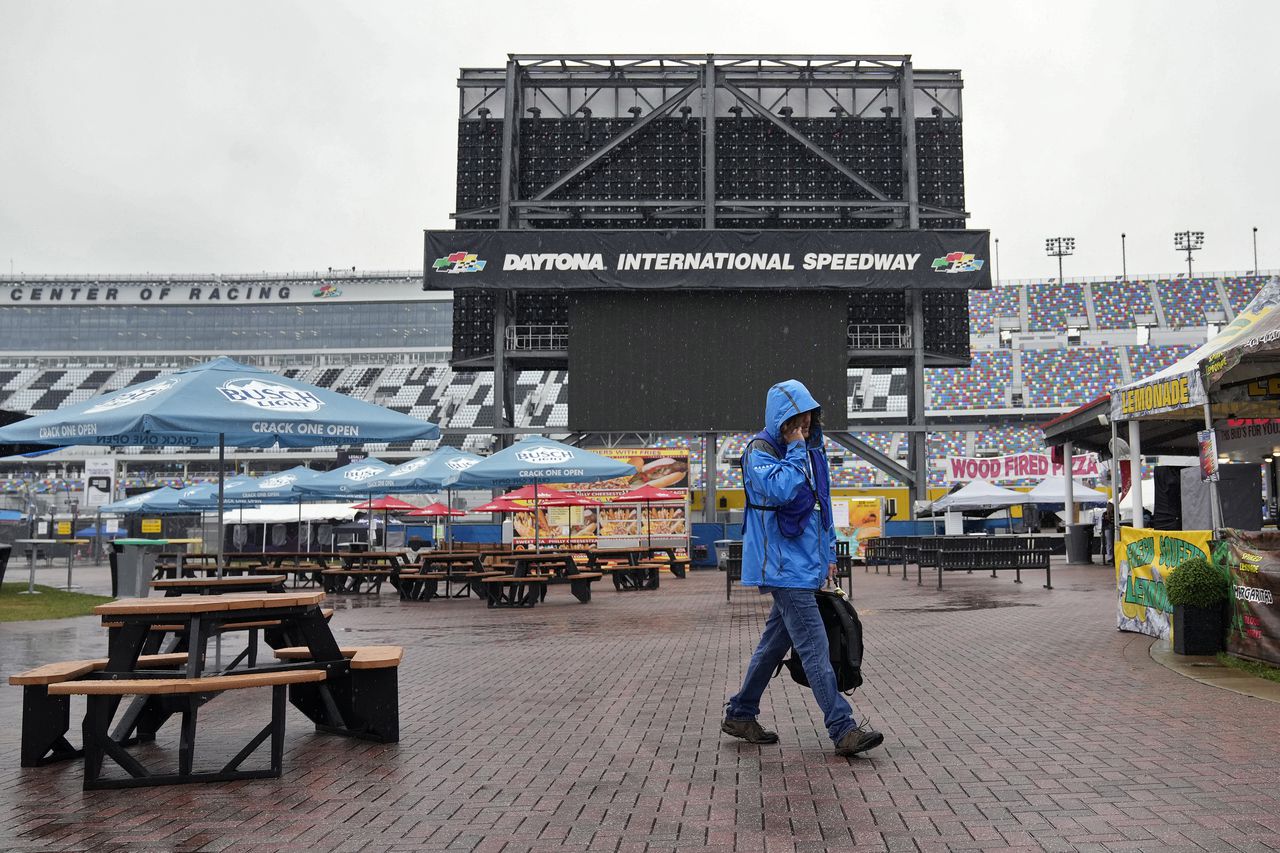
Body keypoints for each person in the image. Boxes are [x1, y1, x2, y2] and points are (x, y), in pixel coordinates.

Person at [722, 379, 884, 757]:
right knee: (815, 646)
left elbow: (820, 505)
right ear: (782, 419)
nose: (806, 423)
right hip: (782, 567)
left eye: (810, 415)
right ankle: (842, 728)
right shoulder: (760, 451)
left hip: (801, 567)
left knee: (772, 645)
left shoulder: (811, 452)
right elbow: (782, 490)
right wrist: (796, 448)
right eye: (798, 417)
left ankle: (741, 713)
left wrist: (828, 555)